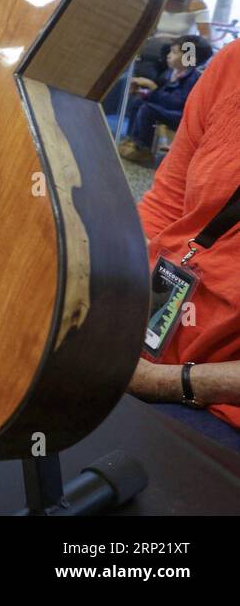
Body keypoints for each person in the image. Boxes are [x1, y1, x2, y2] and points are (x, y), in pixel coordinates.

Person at [130, 40, 240, 452]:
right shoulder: (232, 64)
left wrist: (166, 383)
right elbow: (167, 203)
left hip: (222, 407)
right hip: (157, 338)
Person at [118, 34, 213, 163]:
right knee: (138, 102)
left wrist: (152, 88)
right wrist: (145, 93)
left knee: (147, 109)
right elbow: (162, 95)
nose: (169, 55)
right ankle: (132, 140)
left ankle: (143, 147)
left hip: (180, 114)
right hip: (167, 108)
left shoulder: (192, 79)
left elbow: (175, 102)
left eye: (174, 52)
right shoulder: (171, 73)